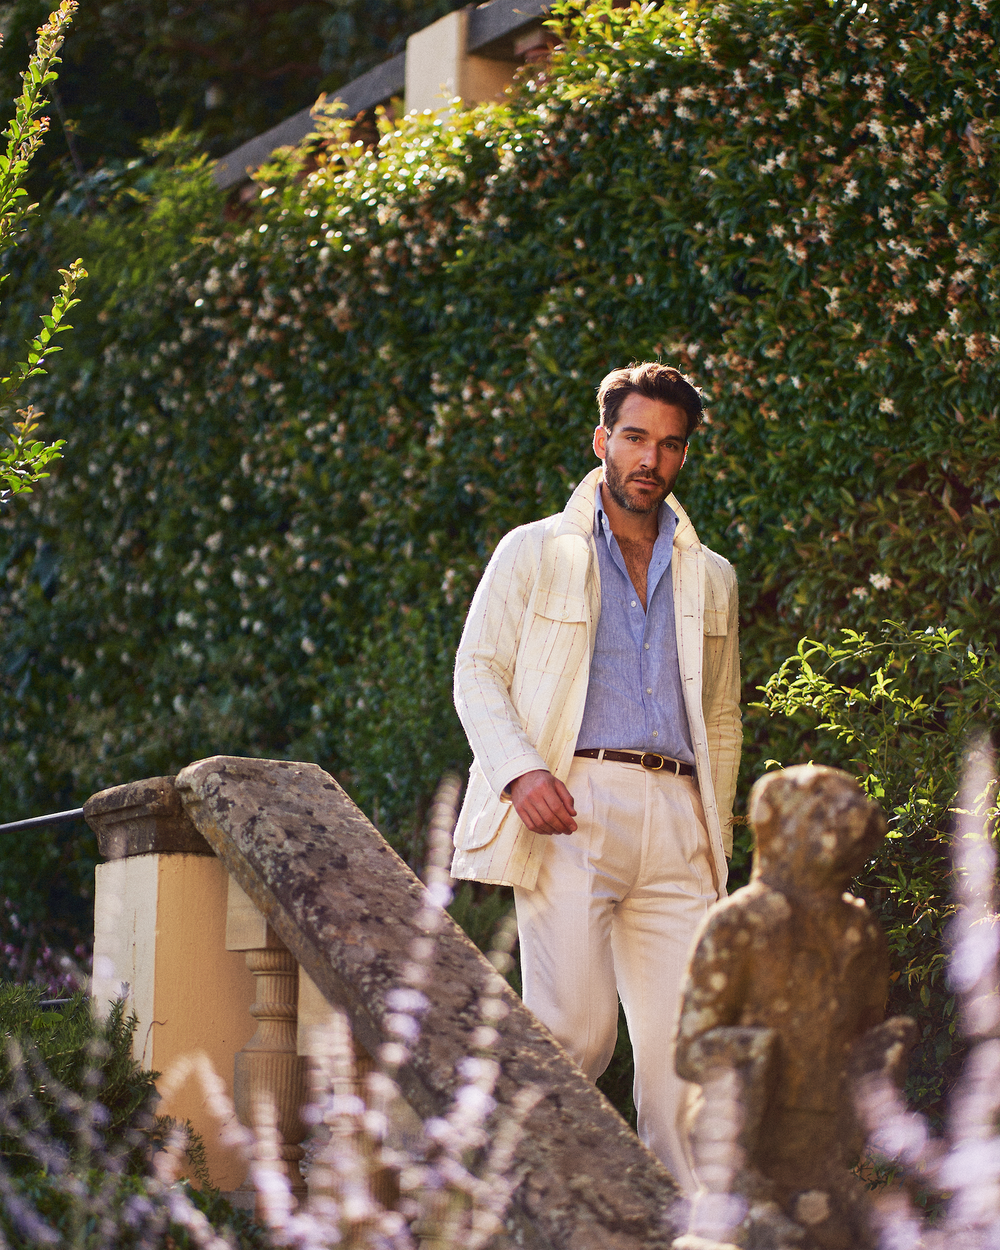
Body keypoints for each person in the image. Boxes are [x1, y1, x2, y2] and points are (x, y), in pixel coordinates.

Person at [450, 361, 741, 1192]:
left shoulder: (710, 576)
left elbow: (719, 717)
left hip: (678, 819)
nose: (651, 459)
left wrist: (712, 832)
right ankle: (523, 1200)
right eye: (636, 438)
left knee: (688, 1054)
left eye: (670, 445)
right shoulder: (536, 551)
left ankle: (690, 1237)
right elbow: (478, 673)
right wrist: (519, 774)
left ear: (684, 456)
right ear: (602, 440)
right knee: (574, 1036)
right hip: (572, 806)